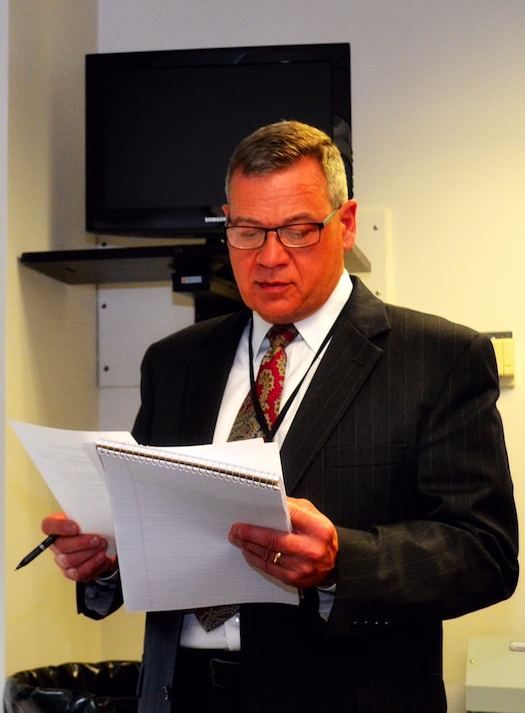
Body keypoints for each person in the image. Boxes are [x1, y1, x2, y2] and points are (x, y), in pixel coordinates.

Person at [42, 120, 518, 712]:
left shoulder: (438, 357)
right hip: (179, 693)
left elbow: (486, 554)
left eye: (296, 230)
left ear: (344, 225)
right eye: (246, 231)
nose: (268, 257)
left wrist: (343, 560)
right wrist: (107, 559)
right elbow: (151, 518)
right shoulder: (174, 362)